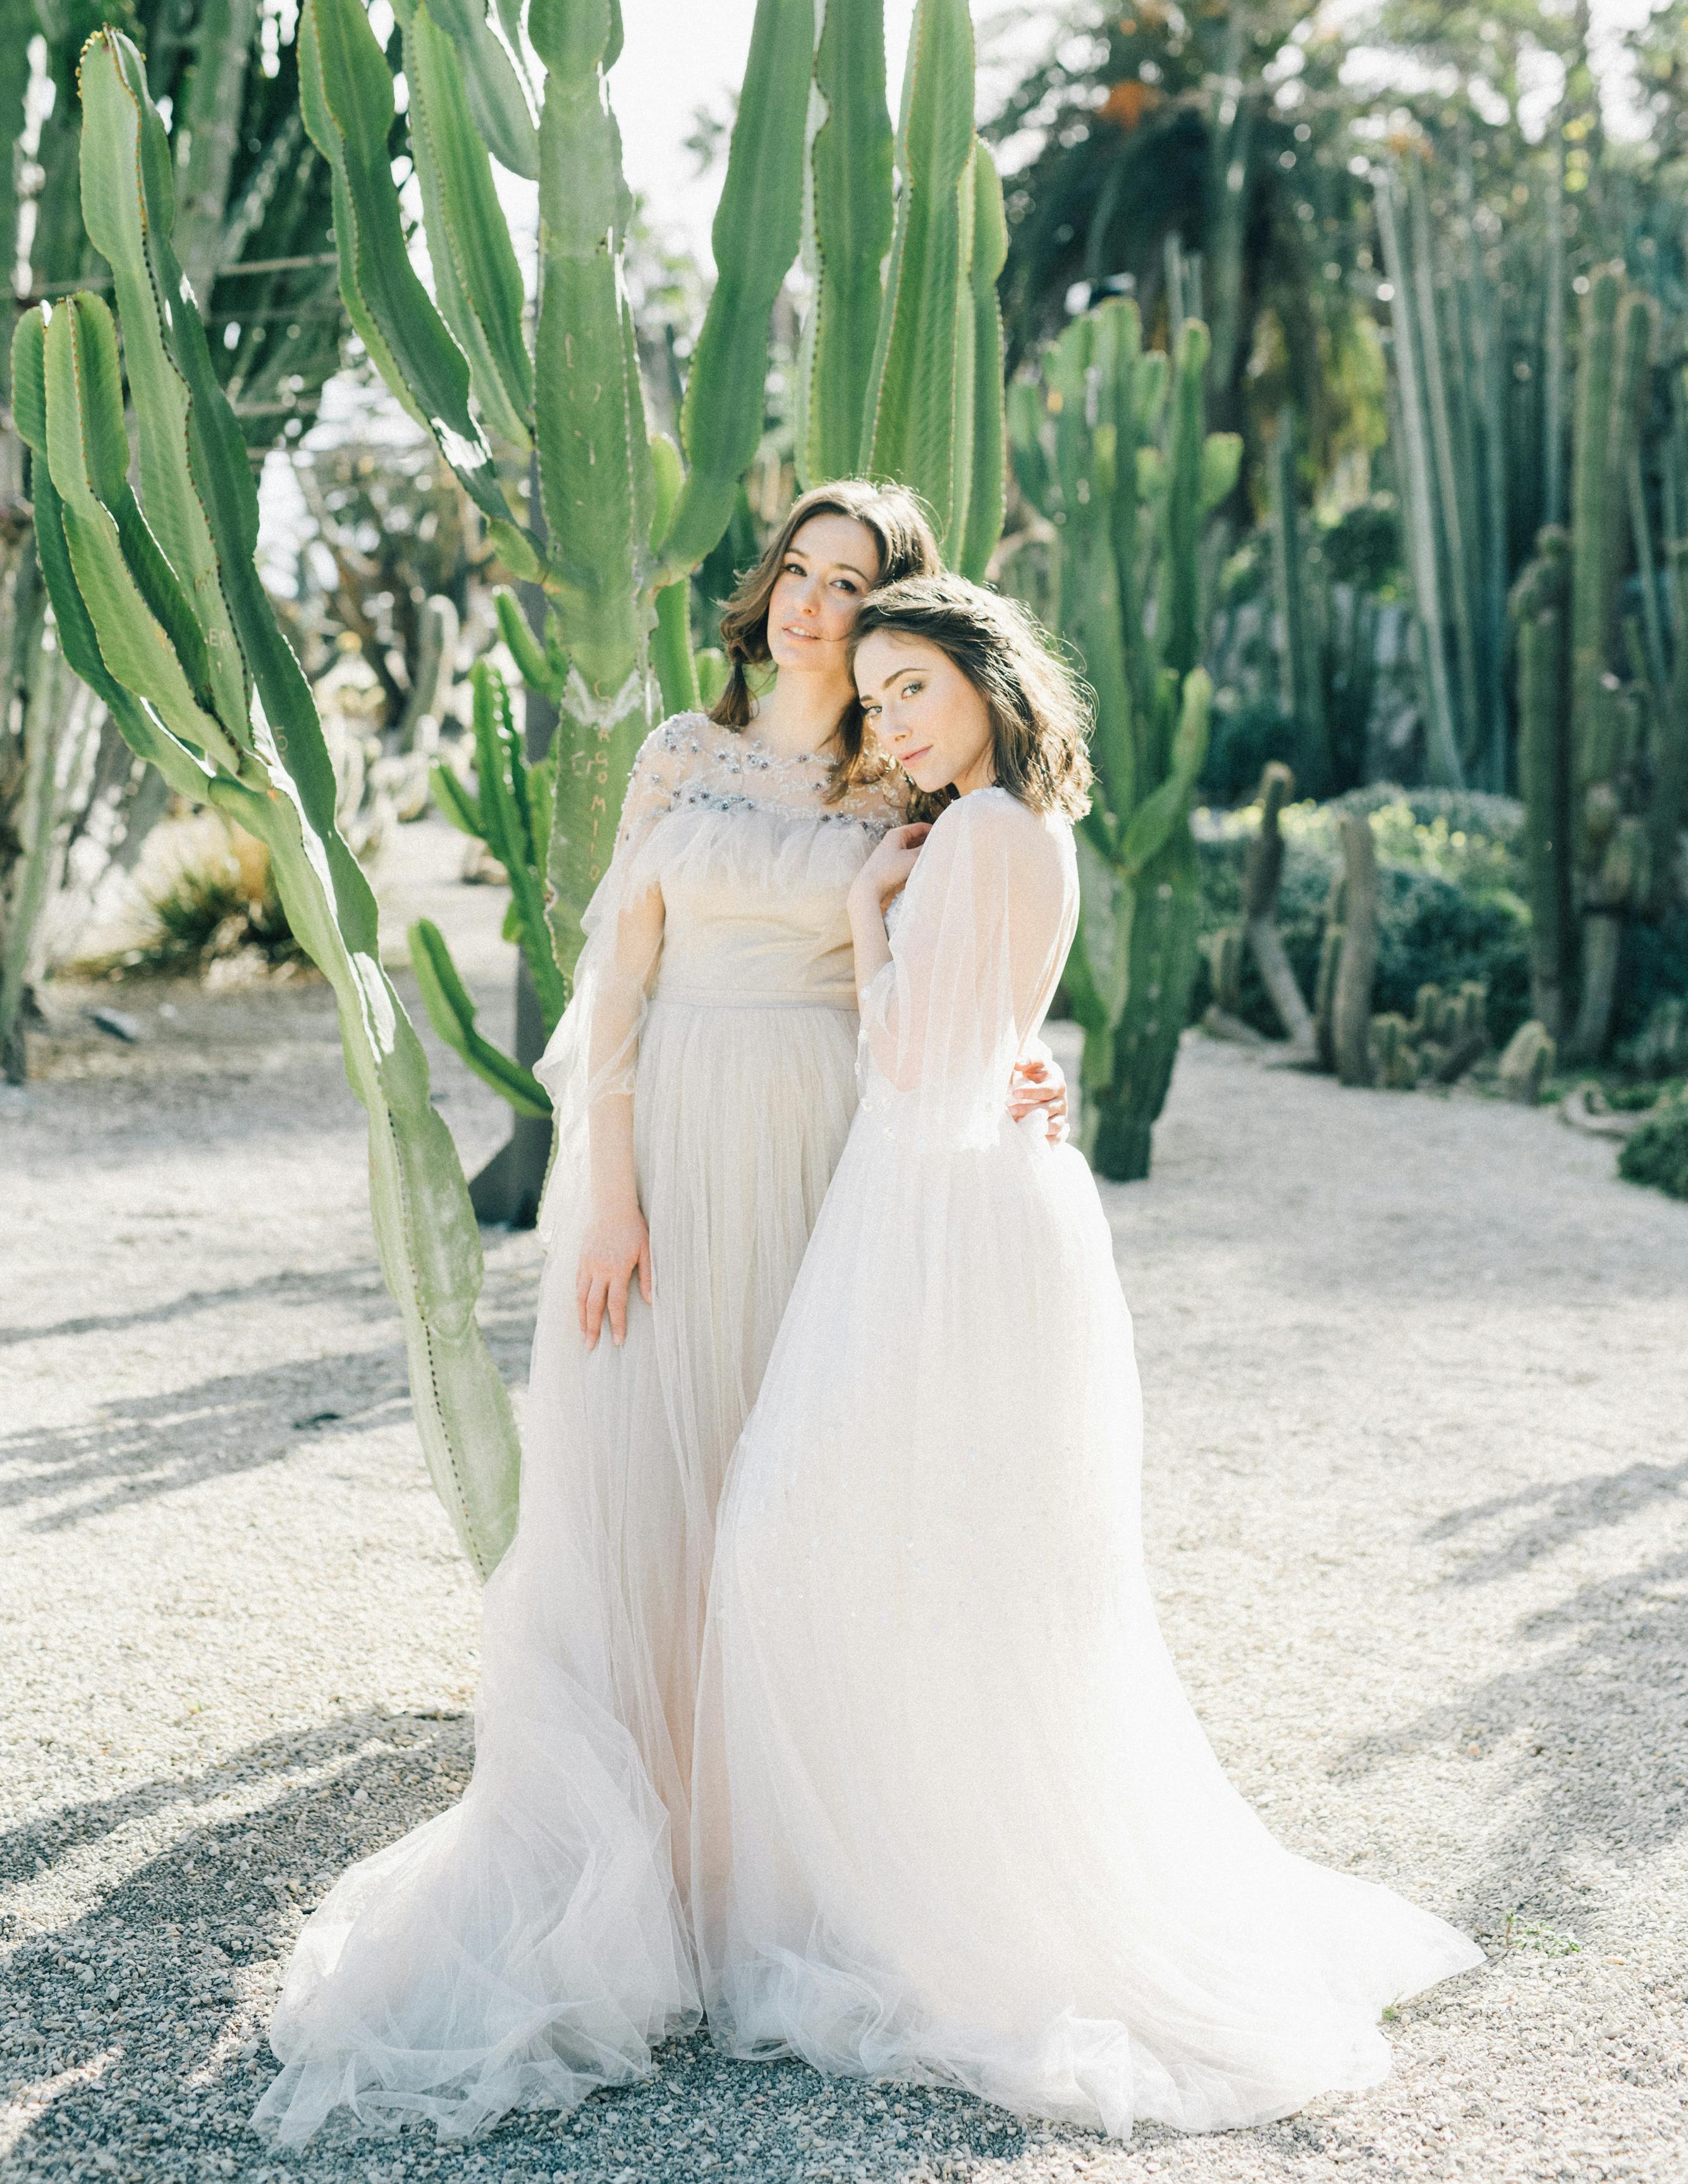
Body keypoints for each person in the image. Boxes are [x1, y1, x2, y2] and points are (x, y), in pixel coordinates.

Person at [254, 490, 1066, 2146]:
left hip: (820, 1162)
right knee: (633, 1490)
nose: (813, 608)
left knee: (779, 1505)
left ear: (891, 621)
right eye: (799, 574)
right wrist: (601, 1185)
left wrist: (1023, 1077)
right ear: (762, 586)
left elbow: (964, 991)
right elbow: (611, 979)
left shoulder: (899, 786)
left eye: (853, 589)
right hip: (668, 1142)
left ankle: (768, 1864)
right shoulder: (681, 760)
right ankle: (630, 1867)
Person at [694, 573, 1483, 2140]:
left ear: (987, 678)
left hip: (935, 1198)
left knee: (830, 1534)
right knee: (965, 1552)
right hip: (999, 1194)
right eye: (877, 699)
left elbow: (918, 1059)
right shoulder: (1032, 828)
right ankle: (952, 1853)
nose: (894, 723)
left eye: (915, 684)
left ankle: (926, 1890)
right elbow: (999, 1038)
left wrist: (864, 924)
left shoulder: (976, 835)